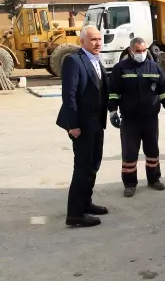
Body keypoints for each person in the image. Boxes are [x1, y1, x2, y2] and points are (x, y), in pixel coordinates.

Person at [56, 25, 109, 228]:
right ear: (82, 42)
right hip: (82, 125)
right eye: (93, 39)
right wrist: (73, 125)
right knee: (82, 168)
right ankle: (75, 214)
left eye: (99, 39)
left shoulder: (96, 60)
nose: (98, 43)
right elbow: (69, 95)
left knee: (93, 165)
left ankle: (86, 203)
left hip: (97, 123)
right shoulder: (74, 60)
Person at [108, 37, 165, 198]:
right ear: (131, 51)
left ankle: (154, 179)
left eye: (144, 50)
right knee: (130, 153)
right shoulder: (121, 69)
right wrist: (112, 111)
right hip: (130, 119)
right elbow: (113, 91)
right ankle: (130, 184)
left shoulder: (155, 68)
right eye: (138, 51)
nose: (142, 53)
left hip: (150, 119)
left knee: (152, 151)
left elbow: (163, 90)